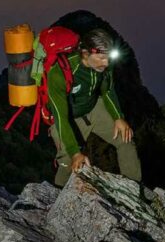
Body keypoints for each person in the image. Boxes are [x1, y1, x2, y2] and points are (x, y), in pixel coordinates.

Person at [47, 28, 142, 187]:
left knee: (125, 139)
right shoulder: (59, 73)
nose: (106, 63)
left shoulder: (104, 67)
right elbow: (61, 117)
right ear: (85, 53)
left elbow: (108, 90)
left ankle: (133, 190)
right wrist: (75, 153)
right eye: (101, 58)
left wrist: (118, 117)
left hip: (93, 107)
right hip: (68, 117)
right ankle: (58, 193)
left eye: (108, 58)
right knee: (68, 158)